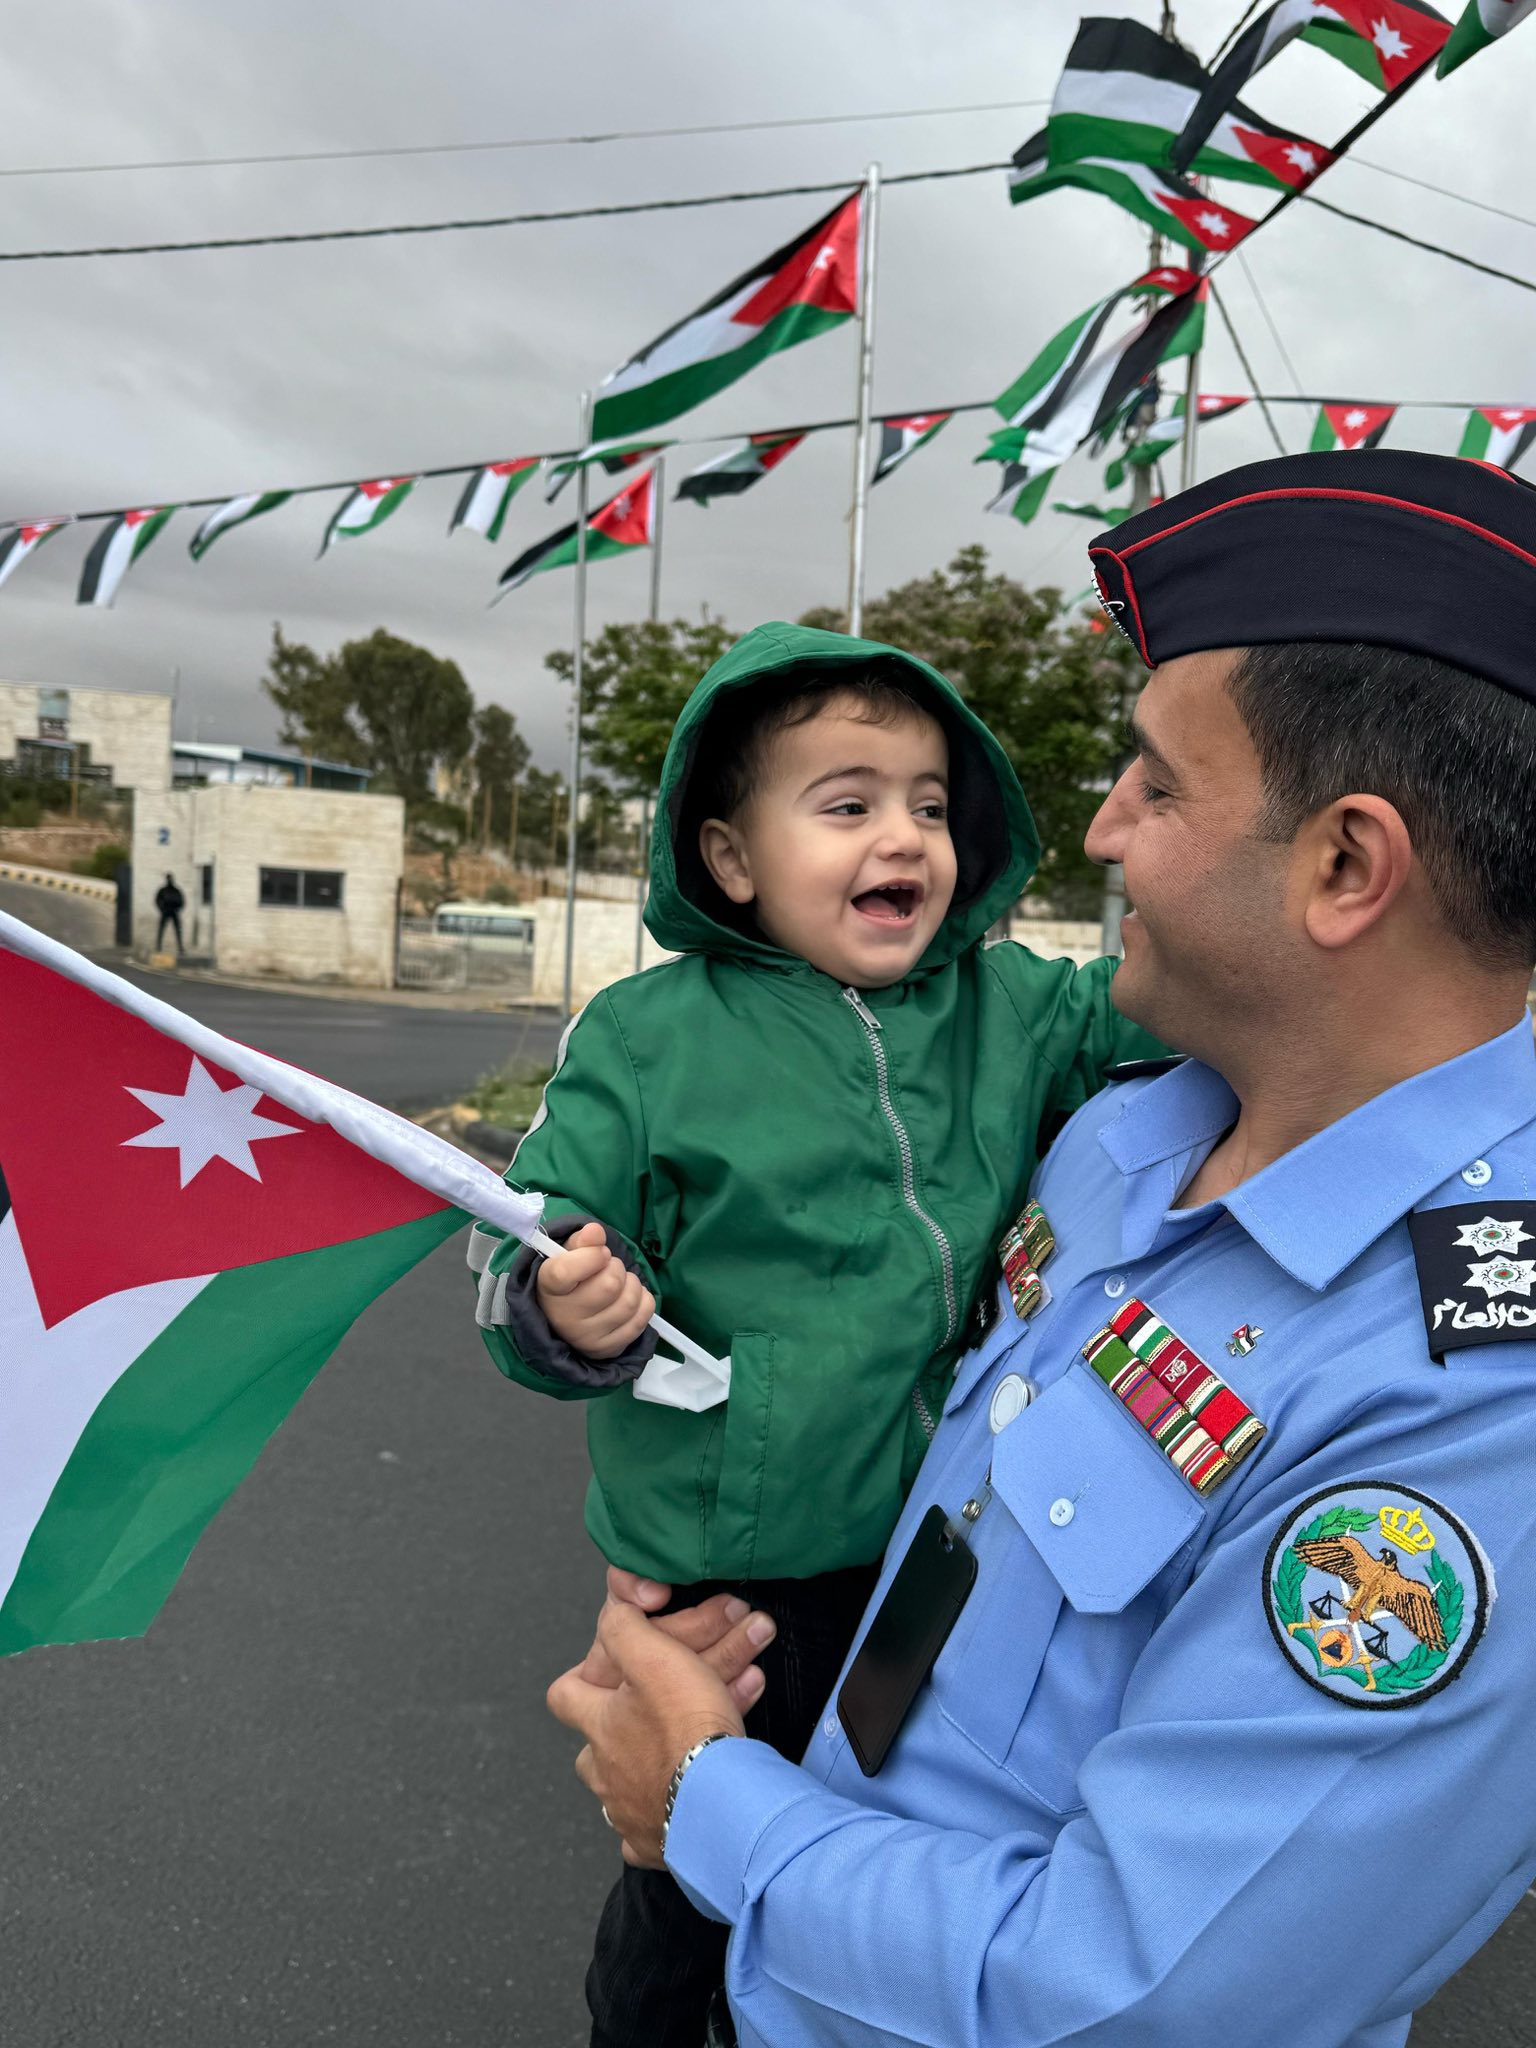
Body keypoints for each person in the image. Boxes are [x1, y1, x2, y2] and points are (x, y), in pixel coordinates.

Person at [549, 450, 1536, 2048]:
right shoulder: (1122, 1138)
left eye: (1157, 783)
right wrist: (731, 1587)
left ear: (1346, 866)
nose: (1098, 828)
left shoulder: (1479, 1395)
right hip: (787, 1937)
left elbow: (1143, 1998)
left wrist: (706, 1800)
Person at [468, 620, 1159, 2047]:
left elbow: (1148, 1016)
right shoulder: (650, 1037)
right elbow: (530, 1227)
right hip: (738, 1574)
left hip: (942, 1543)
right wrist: (563, 1298)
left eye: (930, 805)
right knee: (691, 1856)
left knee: (893, 1846)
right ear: (731, 858)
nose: (902, 836)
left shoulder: (1007, 1004)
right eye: (847, 804)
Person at [154, 873, 185, 954]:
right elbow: (157, 900)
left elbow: (181, 901)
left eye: (171, 879)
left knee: (178, 930)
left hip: (174, 911)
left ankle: (180, 947)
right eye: (169, 879)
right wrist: (161, 909)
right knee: (161, 929)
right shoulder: (163, 890)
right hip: (165, 911)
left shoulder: (176, 890)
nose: (170, 880)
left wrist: (178, 909)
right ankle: (158, 946)